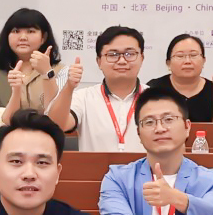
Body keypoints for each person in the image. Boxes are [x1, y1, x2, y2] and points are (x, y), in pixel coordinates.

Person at [96, 90, 213, 215]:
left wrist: (175, 197)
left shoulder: (212, 179)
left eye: (168, 119)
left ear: (187, 127)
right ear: (138, 133)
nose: (159, 128)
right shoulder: (117, 178)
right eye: (149, 122)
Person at [56, 25, 150, 155]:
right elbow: (60, 125)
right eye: (113, 54)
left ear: (142, 58)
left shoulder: (157, 99)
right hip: (96, 168)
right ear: (99, 61)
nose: (122, 61)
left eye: (129, 54)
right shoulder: (83, 98)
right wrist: (69, 87)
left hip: (146, 169)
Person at [149, 32, 213, 129]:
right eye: (180, 56)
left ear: (204, 61)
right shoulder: (154, 88)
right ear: (168, 63)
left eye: (193, 55)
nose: (187, 61)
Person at [0, 8, 61, 120]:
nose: (23, 37)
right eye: (16, 31)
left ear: (43, 37)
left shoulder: (61, 71)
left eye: (31, 31)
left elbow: (58, 116)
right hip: (5, 131)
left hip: (47, 131)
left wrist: (47, 73)